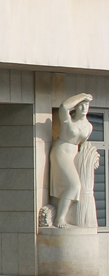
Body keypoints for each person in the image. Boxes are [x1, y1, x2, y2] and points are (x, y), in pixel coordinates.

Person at [50, 93, 95, 227]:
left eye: (86, 105)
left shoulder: (89, 127)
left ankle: (66, 214)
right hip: (61, 152)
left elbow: (84, 145)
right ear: (75, 107)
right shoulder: (68, 120)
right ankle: (60, 218)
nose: (84, 108)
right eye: (81, 105)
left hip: (73, 155)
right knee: (74, 185)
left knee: (75, 187)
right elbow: (63, 106)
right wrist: (82, 96)